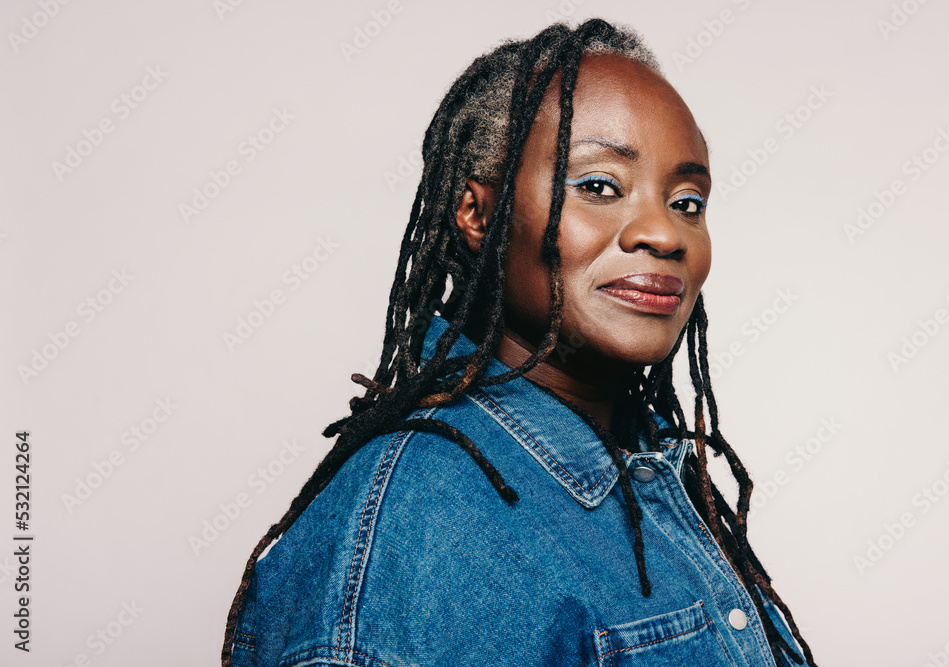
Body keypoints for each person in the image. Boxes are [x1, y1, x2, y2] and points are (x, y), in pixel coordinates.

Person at [222, 18, 817, 667]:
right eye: (598, 186)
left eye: (687, 201)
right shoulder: (423, 525)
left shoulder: (648, 467)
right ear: (479, 213)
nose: (664, 233)